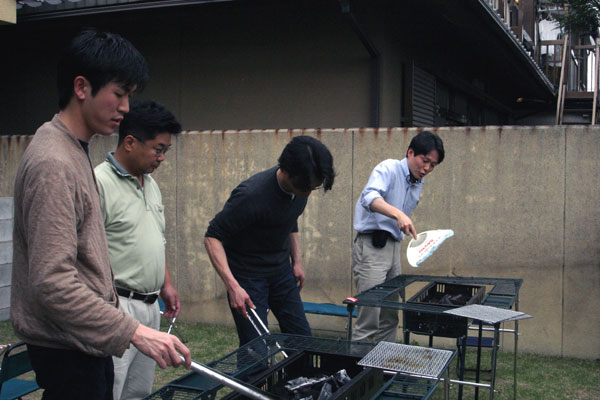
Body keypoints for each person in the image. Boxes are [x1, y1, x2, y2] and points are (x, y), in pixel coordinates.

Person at [11, 29, 190, 400]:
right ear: (81, 87)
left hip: (84, 342)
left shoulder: (72, 150)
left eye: (129, 96)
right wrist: (134, 331)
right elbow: (52, 282)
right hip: (69, 349)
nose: (125, 108)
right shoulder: (53, 162)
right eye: (119, 93)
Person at [204, 136, 335, 347]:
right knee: (255, 349)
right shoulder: (250, 195)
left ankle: (301, 381)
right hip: (248, 276)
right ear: (288, 172)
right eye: (307, 188)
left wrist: (297, 261)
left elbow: (289, 219)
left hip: (281, 271)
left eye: (314, 187)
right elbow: (212, 236)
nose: (309, 193)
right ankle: (252, 381)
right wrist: (233, 286)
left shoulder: (302, 185)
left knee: (301, 340)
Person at [95, 100, 182, 400]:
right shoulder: (98, 182)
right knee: (112, 388)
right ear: (130, 142)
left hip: (150, 307)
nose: (161, 158)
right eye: (158, 149)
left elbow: (156, 238)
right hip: (117, 305)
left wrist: (166, 284)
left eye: (165, 151)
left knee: (138, 390)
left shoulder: (151, 184)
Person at [351, 130, 444, 343]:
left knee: (390, 314)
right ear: (411, 152)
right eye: (425, 161)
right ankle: (357, 373)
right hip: (372, 247)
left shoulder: (417, 182)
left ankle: (384, 370)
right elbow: (369, 197)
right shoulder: (388, 168)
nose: (427, 168)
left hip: (393, 247)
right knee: (369, 316)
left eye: (433, 165)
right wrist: (398, 214)